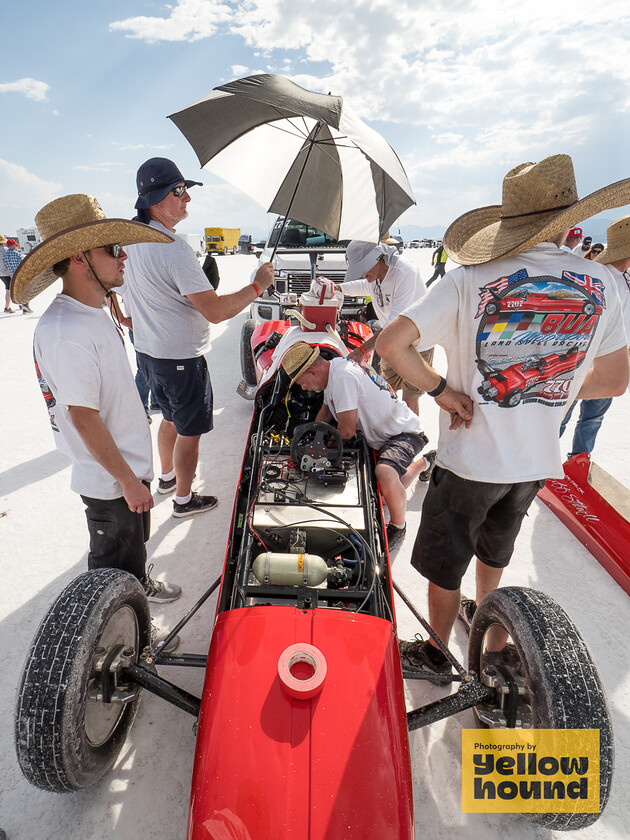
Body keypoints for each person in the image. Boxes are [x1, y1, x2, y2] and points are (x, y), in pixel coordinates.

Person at [376, 154, 630, 682]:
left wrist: (443, 392)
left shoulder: (470, 279)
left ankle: (437, 653)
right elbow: (613, 380)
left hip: (471, 460)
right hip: (534, 460)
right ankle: (491, 643)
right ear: (568, 220)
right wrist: (548, 379)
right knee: (496, 551)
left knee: (447, 565)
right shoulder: (605, 283)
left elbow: (392, 345)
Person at [10, 193, 182, 614]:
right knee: (109, 580)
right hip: (110, 480)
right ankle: (125, 647)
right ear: (79, 258)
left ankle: (137, 586)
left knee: (131, 556)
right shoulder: (67, 329)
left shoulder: (90, 310)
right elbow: (83, 419)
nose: (124, 257)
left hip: (124, 471)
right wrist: (125, 481)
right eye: (113, 249)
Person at [124, 158, 274, 517]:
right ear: (158, 198)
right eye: (179, 191)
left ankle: (166, 478)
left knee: (171, 419)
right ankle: (184, 500)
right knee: (189, 430)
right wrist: (258, 285)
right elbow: (217, 311)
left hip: (149, 353)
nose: (187, 198)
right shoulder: (173, 246)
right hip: (180, 357)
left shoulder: (130, 238)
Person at [280, 341, 436, 550]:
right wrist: (312, 438)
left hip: (404, 433)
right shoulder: (334, 369)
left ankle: (398, 527)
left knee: (385, 475)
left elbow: (347, 431)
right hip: (383, 434)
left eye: (301, 382)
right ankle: (426, 462)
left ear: (312, 371)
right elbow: (325, 412)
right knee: (380, 494)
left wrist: (325, 452)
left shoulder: (342, 378)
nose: (304, 388)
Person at [560, 215, 630, 457]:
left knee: (593, 418)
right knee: (562, 412)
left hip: (613, 361)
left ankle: (579, 461)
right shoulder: (596, 276)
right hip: (582, 360)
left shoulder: (625, 277)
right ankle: (538, 461)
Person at [339, 240, 430, 415]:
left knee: (410, 399)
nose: (361, 276)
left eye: (363, 271)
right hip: (391, 343)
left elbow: (394, 325)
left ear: (376, 259)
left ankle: (413, 438)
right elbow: (364, 286)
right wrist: (337, 288)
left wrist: (362, 351)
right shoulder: (374, 275)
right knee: (386, 393)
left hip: (417, 342)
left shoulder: (405, 272)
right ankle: (391, 434)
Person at [3, 239, 32, 313]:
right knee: (28, 290)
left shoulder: (5, 256)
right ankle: (26, 306)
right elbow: (24, 264)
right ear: (12, 246)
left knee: (19, 292)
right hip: (21, 275)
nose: (16, 246)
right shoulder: (17, 254)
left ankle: (23, 305)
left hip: (13, 277)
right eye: (15, 245)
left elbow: (6, 267)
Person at [1, 235, 13, 313]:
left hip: (0, 274)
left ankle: (20, 304)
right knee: (9, 289)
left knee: (8, 288)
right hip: (6, 272)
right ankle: (7, 308)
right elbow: (9, 262)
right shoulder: (5, 250)